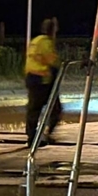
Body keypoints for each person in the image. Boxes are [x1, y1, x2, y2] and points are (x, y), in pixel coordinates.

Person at [25, 18, 61, 147]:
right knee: (54, 109)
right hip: (42, 80)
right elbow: (53, 61)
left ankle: (32, 136)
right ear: (52, 30)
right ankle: (40, 136)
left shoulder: (35, 41)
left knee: (34, 110)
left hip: (31, 77)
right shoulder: (46, 42)